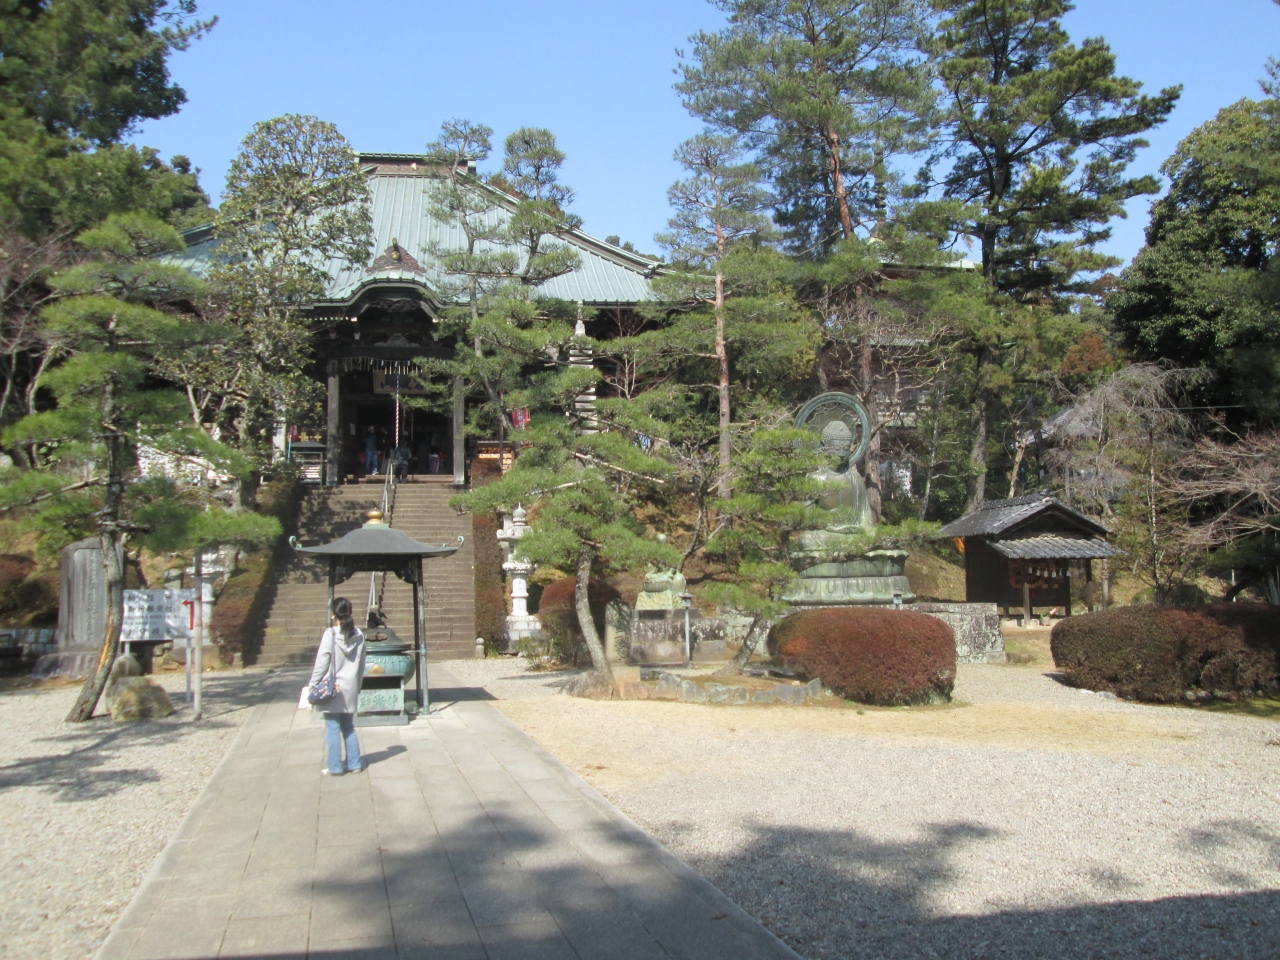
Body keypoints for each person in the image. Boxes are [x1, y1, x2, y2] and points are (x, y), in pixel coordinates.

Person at [309, 597, 366, 775]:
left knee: (332, 728)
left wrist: (313, 684)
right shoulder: (359, 635)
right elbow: (362, 664)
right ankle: (354, 764)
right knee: (348, 727)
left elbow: (322, 662)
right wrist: (358, 686)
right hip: (350, 687)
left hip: (333, 687)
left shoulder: (331, 634)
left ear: (334, 614)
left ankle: (335, 766)